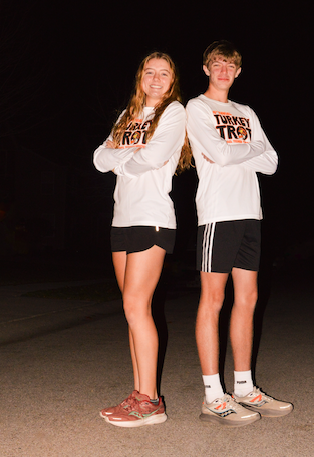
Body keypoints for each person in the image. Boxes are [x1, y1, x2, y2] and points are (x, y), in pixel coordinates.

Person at [186, 40, 293, 426]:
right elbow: (229, 154)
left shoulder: (245, 111)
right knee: (213, 300)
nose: (223, 70)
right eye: (217, 64)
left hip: (251, 213)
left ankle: (245, 388)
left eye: (230, 65)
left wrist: (238, 147)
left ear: (238, 72)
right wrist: (248, 148)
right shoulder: (197, 108)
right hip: (218, 213)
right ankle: (213, 395)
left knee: (247, 298)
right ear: (206, 69)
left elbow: (273, 162)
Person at [93, 51, 191, 427]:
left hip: (152, 217)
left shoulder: (173, 113)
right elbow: (99, 159)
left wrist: (122, 156)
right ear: (140, 78)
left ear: (172, 82)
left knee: (136, 306)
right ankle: (139, 394)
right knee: (133, 311)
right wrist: (122, 154)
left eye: (163, 73)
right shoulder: (127, 116)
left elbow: (150, 159)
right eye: (149, 72)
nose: (155, 78)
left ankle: (150, 401)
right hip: (123, 218)